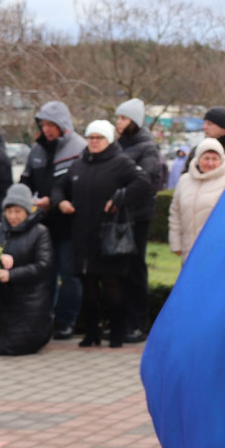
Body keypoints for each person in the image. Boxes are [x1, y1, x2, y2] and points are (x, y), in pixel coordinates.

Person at [55, 119, 150, 348]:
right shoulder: (79, 164)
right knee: (88, 285)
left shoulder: (121, 162)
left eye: (99, 138)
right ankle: (92, 332)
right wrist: (60, 202)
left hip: (108, 235)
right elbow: (59, 186)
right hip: (82, 235)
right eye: (90, 138)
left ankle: (117, 332)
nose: (94, 142)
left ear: (108, 140)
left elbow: (143, 181)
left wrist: (119, 198)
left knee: (112, 285)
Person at [20, 101, 86, 340]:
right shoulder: (36, 150)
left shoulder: (79, 148)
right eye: (43, 124)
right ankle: (43, 317)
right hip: (41, 225)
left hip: (69, 224)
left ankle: (66, 321)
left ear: (63, 125)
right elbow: (25, 181)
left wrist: (57, 201)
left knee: (69, 274)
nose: (46, 129)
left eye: (51, 124)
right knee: (45, 273)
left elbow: (83, 186)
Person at [0, 184, 54, 356]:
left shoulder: (40, 232)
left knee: (17, 346)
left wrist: (11, 275)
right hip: (2, 301)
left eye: (18, 212)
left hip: (29, 301)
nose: (12, 216)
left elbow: (43, 265)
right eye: (9, 211)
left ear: (28, 211)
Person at [114, 98, 162, 343]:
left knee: (135, 270)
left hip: (138, 216)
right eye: (118, 118)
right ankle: (120, 324)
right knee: (119, 271)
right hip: (121, 217)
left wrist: (120, 197)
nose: (119, 122)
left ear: (134, 120)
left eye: (123, 118)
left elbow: (148, 181)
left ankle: (138, 324)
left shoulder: (146, 147)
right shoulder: (120, 144)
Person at [168, 138, 225, 259]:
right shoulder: (184, 180)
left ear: (221, 160)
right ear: (198, 159)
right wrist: (176, 243)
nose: (210, 163)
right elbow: (175, 213)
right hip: (189, 250)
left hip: (217, 251)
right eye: (206, 158)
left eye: (214, 159)